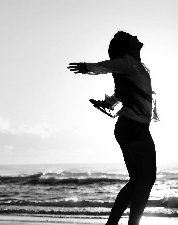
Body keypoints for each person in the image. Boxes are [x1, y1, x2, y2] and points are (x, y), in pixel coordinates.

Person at [67, 31, 158, 225]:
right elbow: (104, 67)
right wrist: (87, 67)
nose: (136, 38)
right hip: (134, 126)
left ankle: (113, 224)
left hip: (129, 126)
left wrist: (108, 103)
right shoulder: (127, 62)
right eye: (131, 37)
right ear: (126, 45)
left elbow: (123, 91)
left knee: (137, 179)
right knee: (147, 178)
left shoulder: (133, 66)